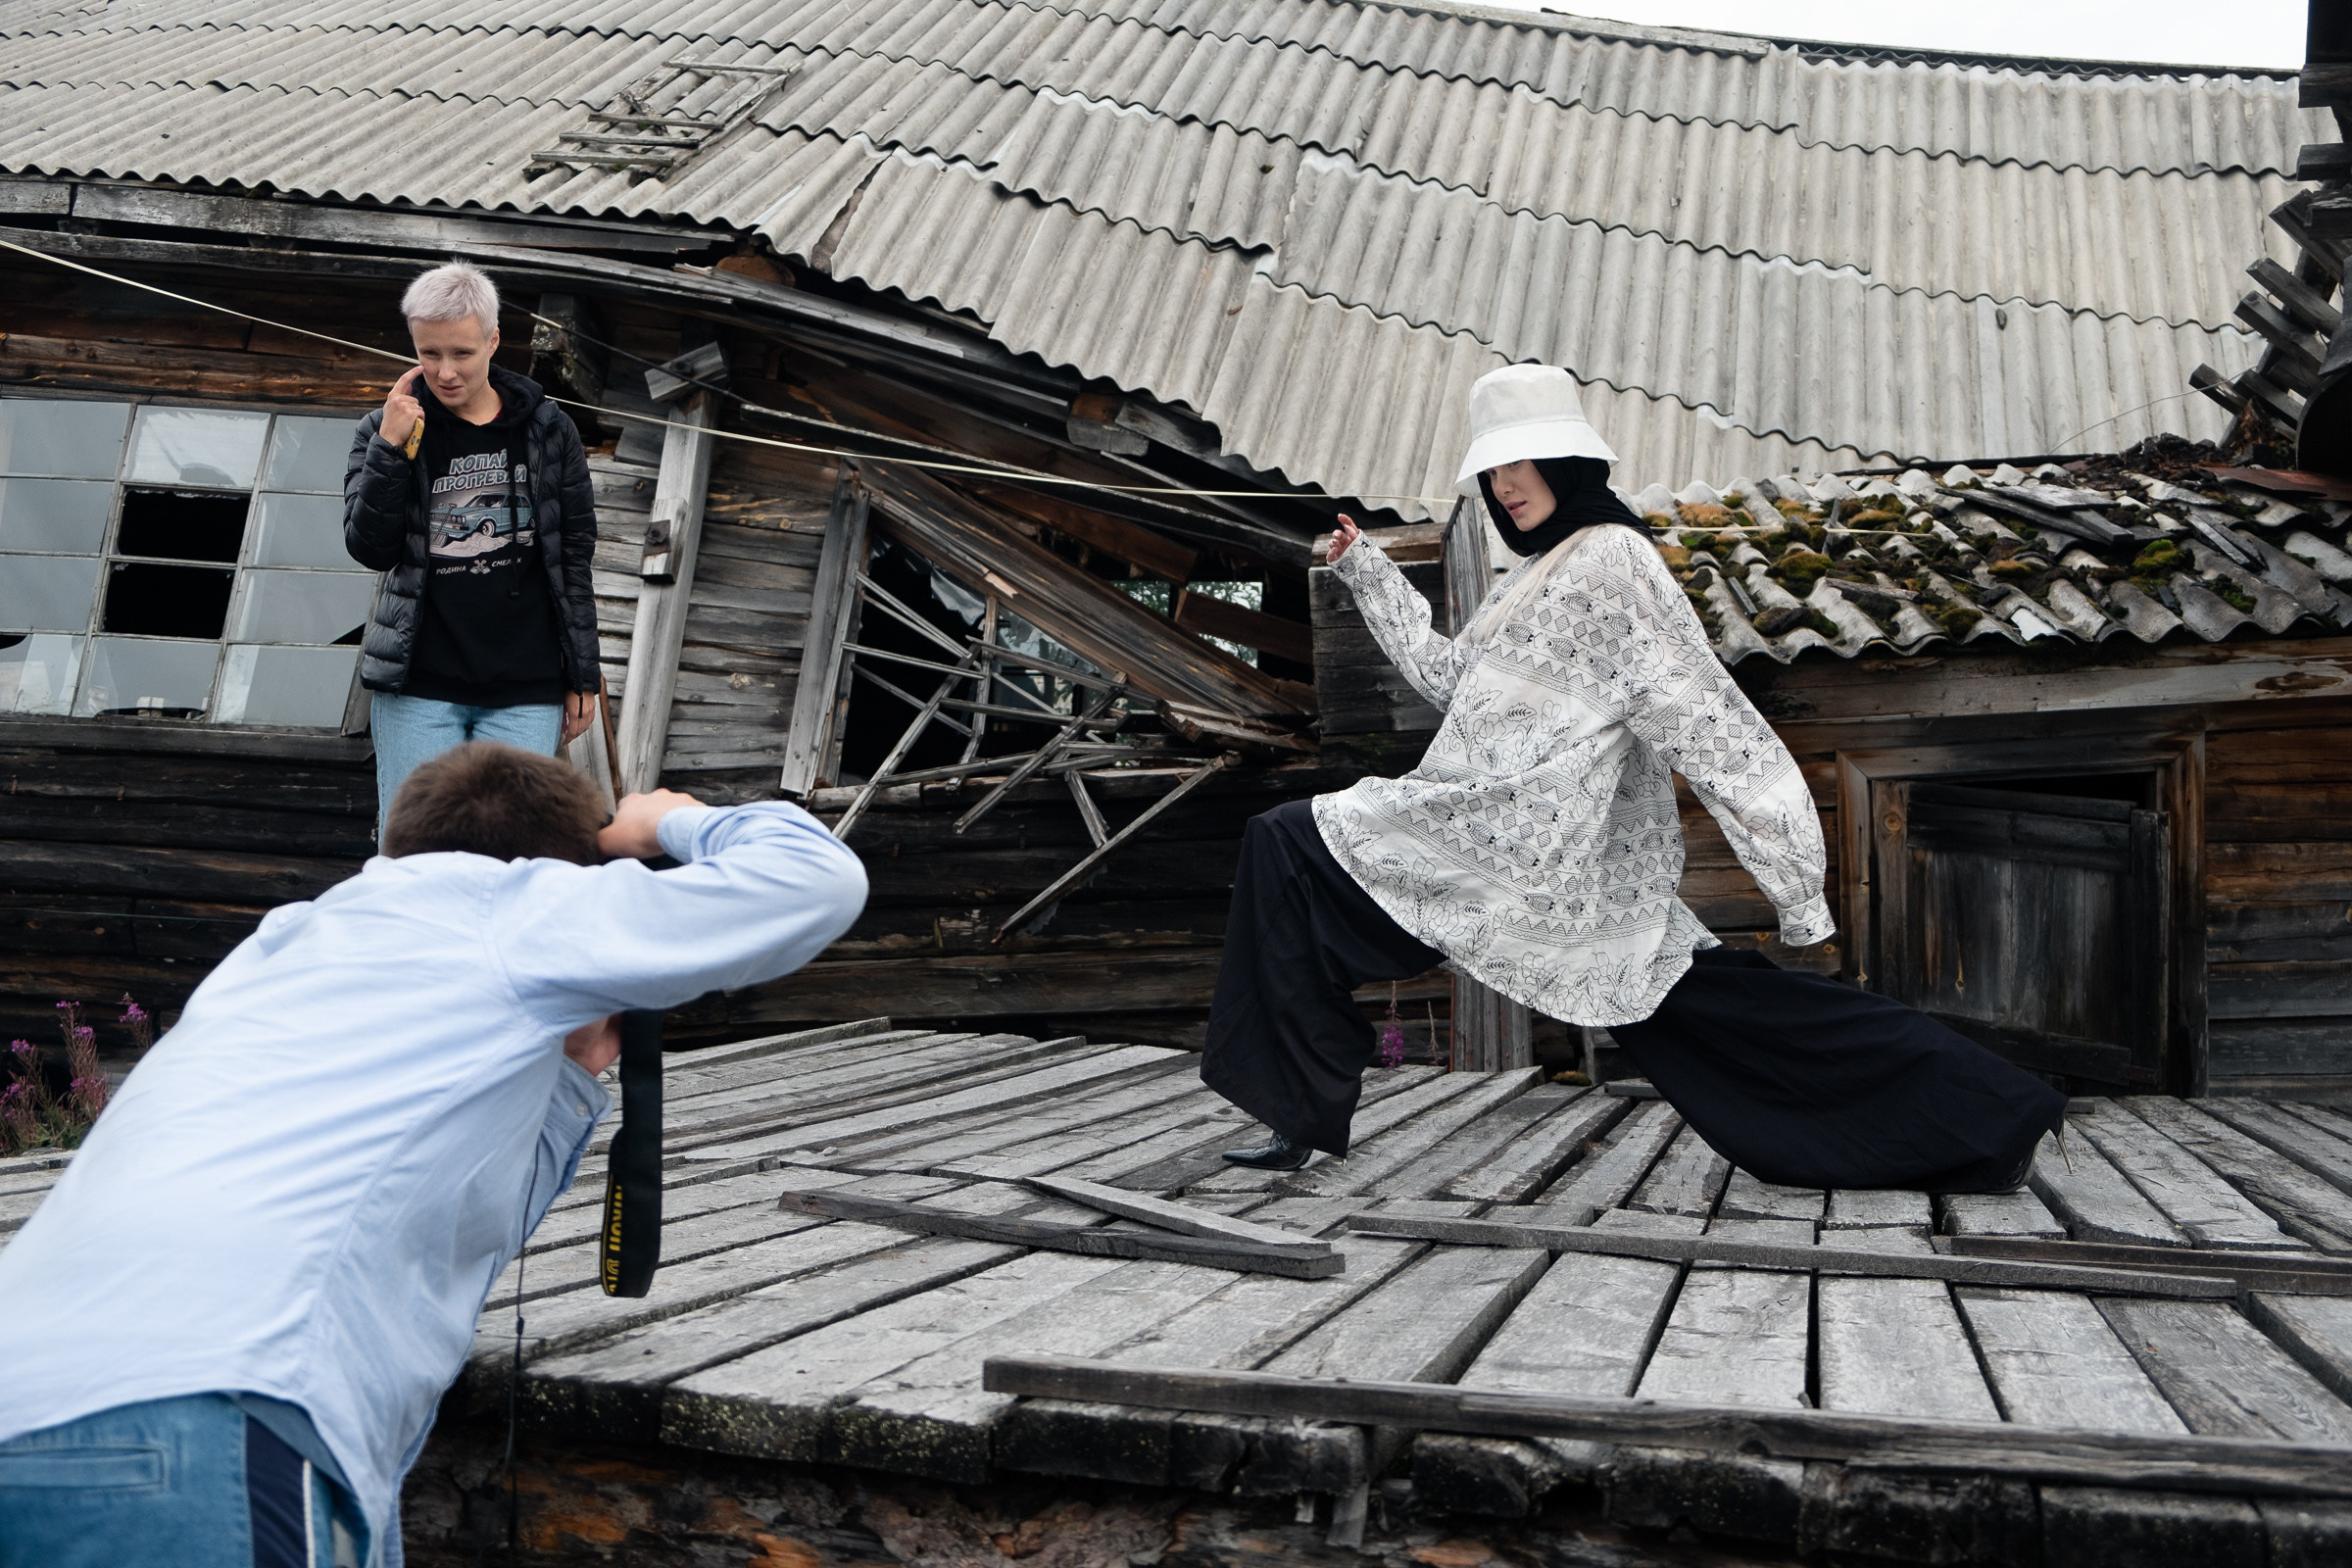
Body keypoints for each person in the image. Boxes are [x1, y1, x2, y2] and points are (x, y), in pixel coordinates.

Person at [0, 744, 866, 1568]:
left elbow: (449, 1212)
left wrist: (569, 1071)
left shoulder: (288, 942)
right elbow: (817, 879)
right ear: (571, 869)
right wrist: (669, 823)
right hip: (200, 1415)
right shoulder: (522, 903)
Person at [1201, 365, 2066, 1190]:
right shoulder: (1538, 574)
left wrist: (1797, 890)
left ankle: (1294, 1109)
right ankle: (1985, 1113)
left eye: (1522, 460)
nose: (1506, 484)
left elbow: (1716, 732)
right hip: (1510, 838)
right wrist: (1370, 573)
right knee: (1712, 1013)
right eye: (1493, 468)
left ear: (1571, 459)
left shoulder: (1614, 564)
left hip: (1530, 845)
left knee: (1283, 841)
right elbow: (1457, 687)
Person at [345, 262, 603, 827]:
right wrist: (390, 450)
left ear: (493, 340)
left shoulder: (548, 428)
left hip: (525, 686)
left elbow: (573, 554)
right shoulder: (381, 429)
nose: (445, 371)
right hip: (418, 684)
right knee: (413, 850)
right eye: (429, 353)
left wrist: (583, 674)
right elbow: (370, 549)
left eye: (461, 353)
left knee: (514, 852)